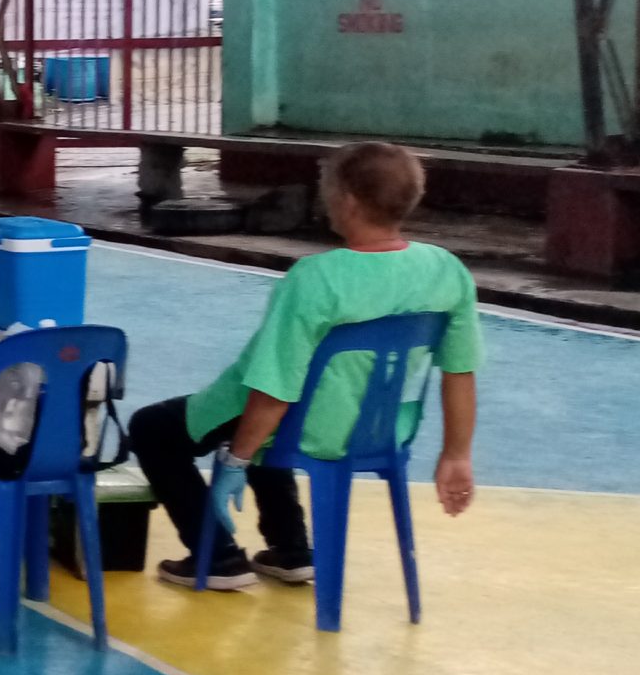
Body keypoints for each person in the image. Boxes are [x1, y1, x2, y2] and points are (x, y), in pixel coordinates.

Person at [138, 140, 480, 591]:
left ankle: (215, 555)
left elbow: (275, 389)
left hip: (306, 422)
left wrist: (236, 463)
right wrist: (456, 454)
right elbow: (460, 372)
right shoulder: (446, 270)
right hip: (380, 429)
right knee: (273, 416)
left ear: (348, 202)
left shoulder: (315, 278)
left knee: (155, 429)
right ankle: (291, 548)